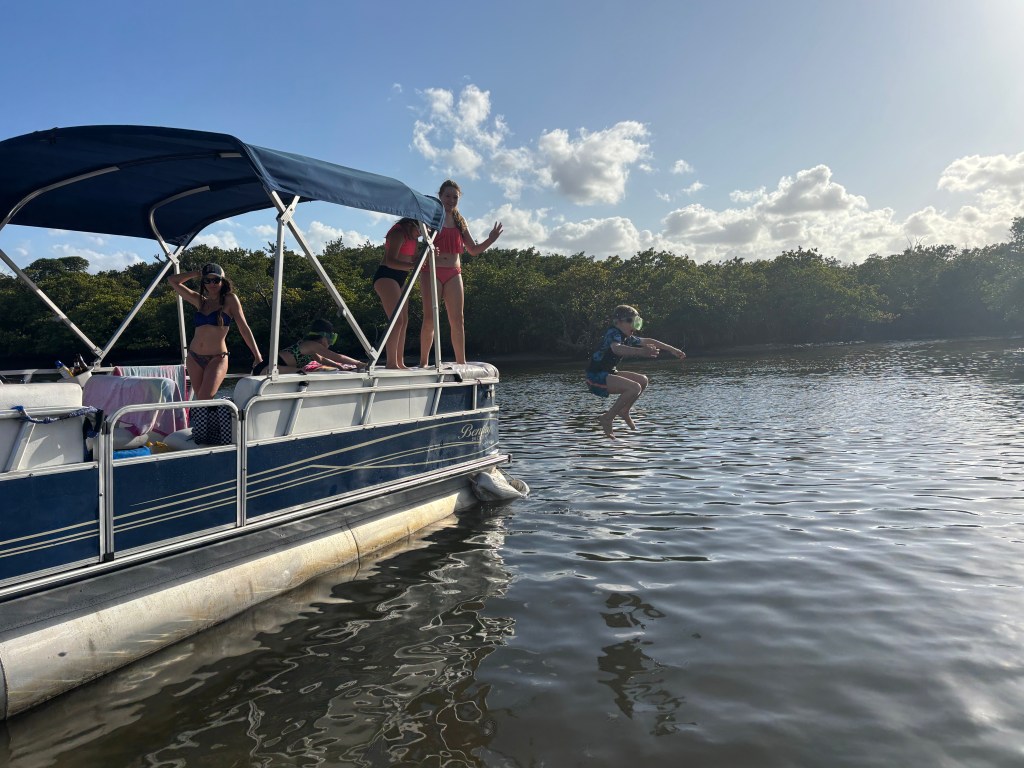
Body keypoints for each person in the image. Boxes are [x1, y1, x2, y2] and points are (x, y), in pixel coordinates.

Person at [419, 179, 503, 366]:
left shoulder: (459, 220)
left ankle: (461, 362)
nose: (450, 200)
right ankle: (423, 363)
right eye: (447, 196)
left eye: (454, 197)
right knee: (430, 318)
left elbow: (473, 250)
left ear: (459, 199)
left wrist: (491, 240)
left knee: (458, 319)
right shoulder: (431, 216)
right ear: (440, 196)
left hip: (453, 272)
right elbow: (420, 236)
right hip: (430, 271)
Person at [585, 304, 685, 438]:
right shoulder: (613, 333)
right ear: (618, 322)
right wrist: (641, 352)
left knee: (642, 380)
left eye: (637, 323)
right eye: (632, 322)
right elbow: (616, 348)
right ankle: (608, 418)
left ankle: (624, 410)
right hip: (595, 377)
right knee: (634, 388)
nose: (635, 327)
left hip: (608, 373)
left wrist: (672, 349)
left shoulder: (626, 337)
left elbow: (648, 340)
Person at [168, 263, 262, 399]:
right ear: (203, 282)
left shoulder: (230, 299)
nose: (212, 283)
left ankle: (214, 419)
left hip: (217, 358)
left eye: (216, 280)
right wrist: (198, 273)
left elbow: (244, 328)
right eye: (207, 280)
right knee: (201, 401)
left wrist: (257, 356)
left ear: (222, 281)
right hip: (194, 357)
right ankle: (210, 420)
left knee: (204, 397)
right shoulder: (200, 301)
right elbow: (172, 280)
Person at [373, 218, 421, 368]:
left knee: (404, 321)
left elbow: (415, 259)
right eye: (420, 231)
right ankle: (391, 363)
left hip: (401, 278)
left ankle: (399, 362)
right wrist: (413, 265)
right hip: (387, 276)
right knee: (396, 320)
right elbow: (390, 261)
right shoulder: (398, 232)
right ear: (413, 224)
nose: (420, 235)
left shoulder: (415, 238)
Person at [252, 319, 365, 374]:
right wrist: (358, 363)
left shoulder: (309, 346)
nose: (330, 343)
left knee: (303, 371)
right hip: (268, 369)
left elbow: (321, 359)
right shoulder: (312, 345)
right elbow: (337, 357)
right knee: (303, 371)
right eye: (330, 339)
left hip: (267, 368)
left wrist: (339, 367)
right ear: (324, 337)